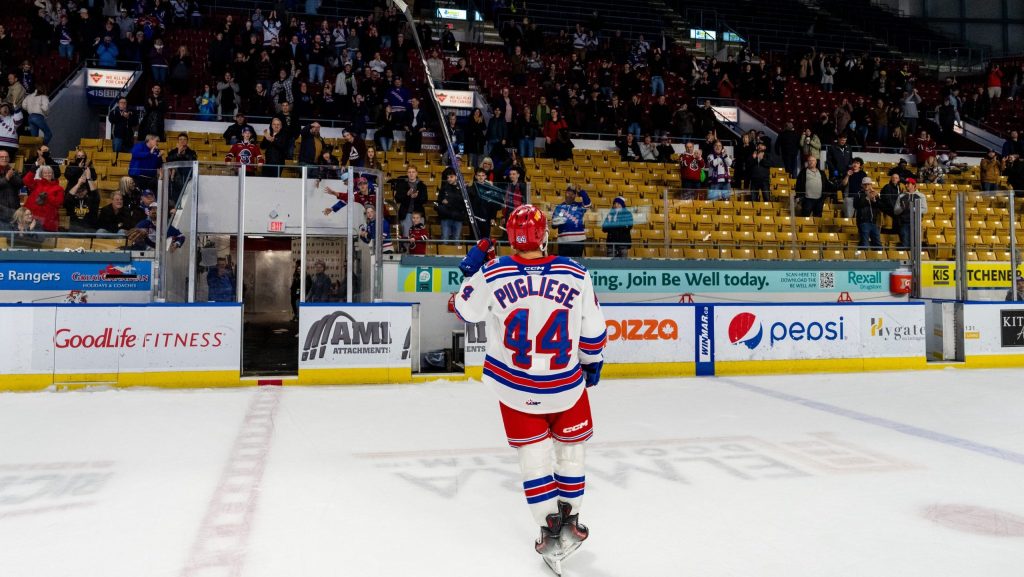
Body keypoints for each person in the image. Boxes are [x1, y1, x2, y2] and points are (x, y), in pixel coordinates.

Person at [453, 204, 606, 574]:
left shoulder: (494, 271)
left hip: (515, 388)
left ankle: (548, 526)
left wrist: (472, 270)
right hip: (566, 385)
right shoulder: (575, 272)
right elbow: (593, 331)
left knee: (533, 461)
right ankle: (571, 521)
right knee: (570, 456)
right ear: (545, 236)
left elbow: (463, 310)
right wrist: (592, 361)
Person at [63, 150, 100, 232]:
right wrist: (78, 168)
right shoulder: (71, 166)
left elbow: (94, 177)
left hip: (86, 193)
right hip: (73, 192)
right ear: (75, 157)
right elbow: (68, 176)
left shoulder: (89, 166)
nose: (80, 158)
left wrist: (86, 168)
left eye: (82, 156)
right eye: (78, 156)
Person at [551, 184, 591, 258]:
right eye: (568, 193)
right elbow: (553, 225)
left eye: (573, 194)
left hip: (578, 240)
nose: (570, 195)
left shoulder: (579, 206)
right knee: (564, 265)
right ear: (565, 193)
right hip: (563, 241)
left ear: (575, 196)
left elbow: (588, 204)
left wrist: (581, 192)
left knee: (576, 264)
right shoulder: (559, 207)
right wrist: (558, 221)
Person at [22, 165, 63, 232]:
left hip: (47, 219)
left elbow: (58, 203)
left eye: (49, 173)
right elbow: (26, 180)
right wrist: (33, 170)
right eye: (45, 173)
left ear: (52, 174)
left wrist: (48, 196)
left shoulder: (58, 188)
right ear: (41, 174)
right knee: (27, 238)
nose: (47, 174)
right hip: (31, 217)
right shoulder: (37, 183)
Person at [894, 178, 927, 249]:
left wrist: (913, 209)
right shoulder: (901, 196)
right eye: (906, 183)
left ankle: (915, 259)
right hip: (904, 223)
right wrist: (902, 208)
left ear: (914, 185)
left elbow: (925, 209)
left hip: (916, 223)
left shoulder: (921, 195)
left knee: (916, 244)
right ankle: (906, 259)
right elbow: (896, 211)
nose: (906, 185)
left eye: (908, 183)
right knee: (905, 243)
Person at [394, 165, 427, 238]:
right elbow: (397, 199)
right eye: (409, 172)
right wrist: (407, 194)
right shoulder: (401, 185)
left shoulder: (422, 185)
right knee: (406, 236)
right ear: (407, 173)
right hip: (406, 215)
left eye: (413, 172)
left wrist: (417, 196)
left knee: (419, 237)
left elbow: (425, 200)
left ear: (416, 173)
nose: (411, 174)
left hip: (418, 214)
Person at [436, 168, 466, 242]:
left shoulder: (463, 189)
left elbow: (463, 203)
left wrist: (449, 203)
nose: (449, 179)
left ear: (456, 177)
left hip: (458, 217)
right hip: (446, 217)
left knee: (456, 240)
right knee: (445, 239)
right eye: (448, 177)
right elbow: (439, 201)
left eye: (451, 177)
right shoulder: (443, 188)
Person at [854, 177, 883, 250]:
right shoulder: (859, 194)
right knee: (864, 243)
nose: (867, 186)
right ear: (862, 185)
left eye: (868, 184)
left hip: (874, 222)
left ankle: (878, 259)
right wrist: (867, 198)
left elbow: (881, 206)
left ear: (871, 185)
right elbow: (856, 205)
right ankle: (864, 260)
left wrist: (875, 200)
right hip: (863, 221)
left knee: (877, 244)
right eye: (865, 184)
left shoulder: (875, 194)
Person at [108, 97, 136, 163]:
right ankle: (115, 167)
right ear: (118, 104)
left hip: (129, 137)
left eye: (125, 103)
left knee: (128, 156)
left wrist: (128, 117)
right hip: (118, 136)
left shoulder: (131, 112)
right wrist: (121, 115)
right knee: (116, 155)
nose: (123, 104)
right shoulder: (114, 112)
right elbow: (112, 120)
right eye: (121, 102)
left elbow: (135, 122)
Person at [0, 149, 23, 227]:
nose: (4, 159)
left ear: (9, 159)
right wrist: (6, 178)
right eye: (2, 157)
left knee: (12, 234)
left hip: (13, 208)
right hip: (1, 209)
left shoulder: (13, 172)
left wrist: (11, 176)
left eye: (6, 157)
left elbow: (20, 184)